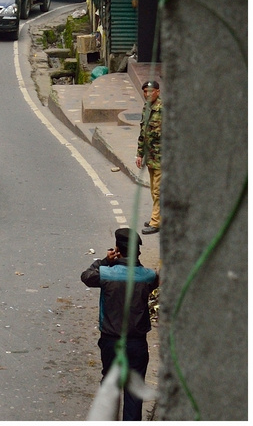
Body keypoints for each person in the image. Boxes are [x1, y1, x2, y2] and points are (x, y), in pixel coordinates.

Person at [81, 228, 159, 421]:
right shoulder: (147, 276)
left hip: (111, 342)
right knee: (133, 394)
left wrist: (106, 260)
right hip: (136, 344)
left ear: (118, 249)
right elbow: (156, 278)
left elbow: (87, 276)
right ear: (137, 252)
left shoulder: (106, 274)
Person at [136, 80, 161, 234]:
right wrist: (139, 154)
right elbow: (143, 133)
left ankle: (156, 221)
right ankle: (158, 217)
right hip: (151, 158)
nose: (148, 94)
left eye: (151, 91)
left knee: (158, 191)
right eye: (145, 91)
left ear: (157, 92)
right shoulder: (147, 108)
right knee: (153, 190)